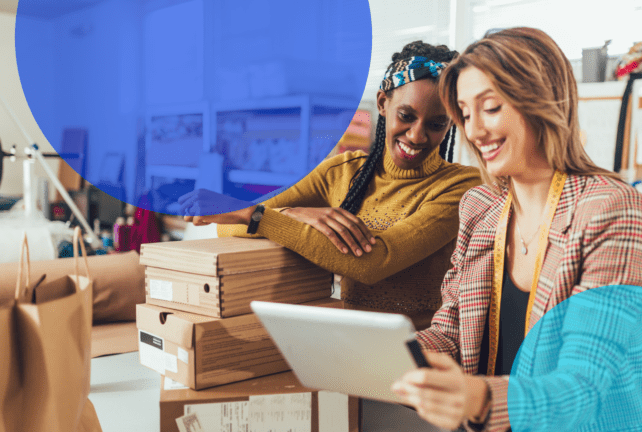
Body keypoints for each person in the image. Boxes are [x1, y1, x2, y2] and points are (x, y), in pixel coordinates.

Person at [391, 27, 642, 431]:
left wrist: (478, 399)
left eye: (491, 107)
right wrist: (394, 356)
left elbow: (588, 384)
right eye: (465, 112)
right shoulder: (479, 208)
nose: (475, 131)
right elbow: (452, 333)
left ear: (542, 102)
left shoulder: (611, 207)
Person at [182, 41, 482, 330]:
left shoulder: (461, 187)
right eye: (406, 116)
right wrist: (291, 213)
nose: (417, 136)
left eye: (436, 124)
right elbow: (225, 224)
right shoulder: (344, 171)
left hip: (422, 354)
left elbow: (374, 262)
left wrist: (256, 216)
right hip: (346, 343)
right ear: (382, 103)